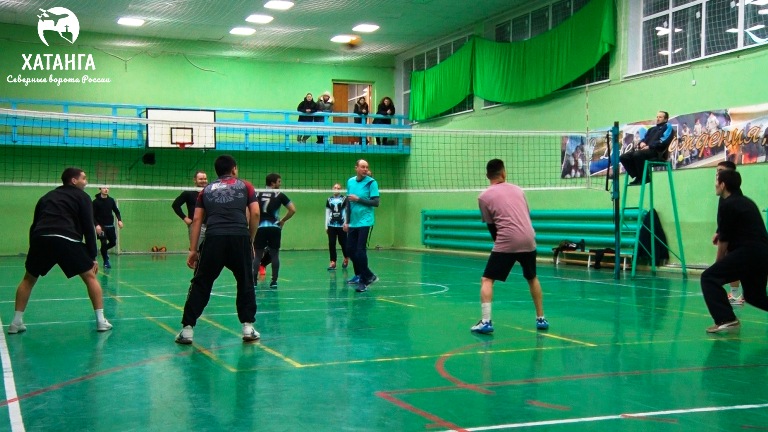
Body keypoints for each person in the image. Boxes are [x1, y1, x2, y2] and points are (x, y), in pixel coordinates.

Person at [8, 167, 112, 334]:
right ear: (74, 180)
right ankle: (101, 321)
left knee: (28, 279)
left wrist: (33, 248)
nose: (86, 182)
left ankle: (15, 323)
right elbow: (88, 227)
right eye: (84, 178)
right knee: (90, 277)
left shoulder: (46, 197)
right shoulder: (83, 197)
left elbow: (34, 225)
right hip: (67, 238)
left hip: (41, 239)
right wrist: (93, 256)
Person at [176, 155, 260, 344]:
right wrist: (250, 240)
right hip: (239, 237)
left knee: (201, 282)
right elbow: (255, 213)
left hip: (214, 239)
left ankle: (187, 330)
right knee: (246, 282)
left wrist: (193, 250)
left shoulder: (205, 190)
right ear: (234, 169)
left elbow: (197, 219)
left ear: (216, 171)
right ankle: (248, 328)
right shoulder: (246, 186)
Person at [471, 159, 548, 334]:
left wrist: (502, 248)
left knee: (487, 280)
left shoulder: (483, 197)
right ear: (504, 173)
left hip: (507, 239)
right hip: (528, 238)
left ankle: (486, 321)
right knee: (532, 277)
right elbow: (525, 216)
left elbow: (492, 227)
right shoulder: (519, 190)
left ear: (487, 175)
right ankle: (541, 318)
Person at [701, 169, 768, 333]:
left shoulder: (727, 204)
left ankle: (727, 319)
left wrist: (718, 264)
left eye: (717, 181)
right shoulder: (746, 202)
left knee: (709, 277)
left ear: (723, 185)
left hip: (748, 254)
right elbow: (735, 230)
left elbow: (724, 241)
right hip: (761, 255)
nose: (715, 184)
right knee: (754, 296)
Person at [253, 173, 296, 289]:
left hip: (260, 228)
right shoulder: (280, 195)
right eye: (279, 182)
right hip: (274, 227)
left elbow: (251, 210)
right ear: (273, 183)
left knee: (257, 255)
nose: (280, 184)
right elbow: (292, 210)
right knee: (274, 254)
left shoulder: (257, 194)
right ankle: (274, 281)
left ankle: (254, 281)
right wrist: (283, 220)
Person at [344, 159, 380, 292]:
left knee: (360, 250)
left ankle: (364, 281)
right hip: (353, 221)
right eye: (362, 167)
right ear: (356, 168)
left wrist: (358, 199)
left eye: (367, 167)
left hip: (365, 220)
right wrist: (347, 221)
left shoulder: (371, 182)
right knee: (349, 250)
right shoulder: (350, 181)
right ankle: (367, 275)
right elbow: (348, 203)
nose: (365, 169)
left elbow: (376, 203)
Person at [711, 161, 742, 305]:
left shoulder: (734, 197)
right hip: (730, 235)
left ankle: (735, 295)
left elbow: (731, 220)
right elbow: (723, 218)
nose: (717, 173)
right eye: (717, 171)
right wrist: (718, 231)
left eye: (721, 170)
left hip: (737, 237)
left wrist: (717, 263)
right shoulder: (724, 195)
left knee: (731, 264)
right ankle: (735, 294)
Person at [619, 110, 675, 185]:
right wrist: (641, 143)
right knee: (623, 157)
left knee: (638, 154)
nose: (658, 119)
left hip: (658, 152)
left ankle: (644, 177)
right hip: (646, 152)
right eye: (657, 117)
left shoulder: (668, 126)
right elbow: (644, 139)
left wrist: (649, 146)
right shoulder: (651, 129)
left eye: (660, 117)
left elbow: (663, 141)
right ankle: (639, 177)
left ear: (665, 119)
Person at [171, 170, 208, 247]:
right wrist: (185, 218)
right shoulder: (188, 193)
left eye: (205, 179)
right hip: (196, 226)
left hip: (211, 226)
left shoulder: (210, 192)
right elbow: (175, 205)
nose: (203, 181)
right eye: (201, 179)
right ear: (195, 180)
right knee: (196, 250)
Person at [92, 186, 124, 268]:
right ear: (100, 189)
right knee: (103, 242)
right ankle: (106, 261)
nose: (106, 189)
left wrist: (119, 220)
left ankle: (103, 250)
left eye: (107, 188)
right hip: (101, 227)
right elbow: (92, 215)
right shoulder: (95, 202)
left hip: (110, 226)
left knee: (113, 242)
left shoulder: (111, 200)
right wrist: (97, 225)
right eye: (104, 188)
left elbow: (116, 211)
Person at [326, 183, 349, 271]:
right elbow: (327, 213)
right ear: (332, 188)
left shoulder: (344, 199)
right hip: (331, 225)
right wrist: (326, 225)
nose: (336, 189)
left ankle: (346, 257)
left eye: (338, 188)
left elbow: (346, 212)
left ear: (340, 190)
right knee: (331, 243)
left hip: (341, 225)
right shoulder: (329, 199)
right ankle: (333, 262)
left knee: (343, 243)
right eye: (335, 187)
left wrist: (346, 223)